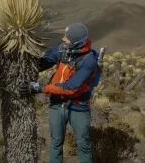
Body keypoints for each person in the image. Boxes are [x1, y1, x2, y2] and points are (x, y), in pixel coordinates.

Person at [19, 23, 102, 163]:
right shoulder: (62, 49)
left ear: (77, 43)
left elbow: (71, 88)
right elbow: (43, 63)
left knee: (83, 143)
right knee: (56, 142)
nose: (63, 39)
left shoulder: (89, 60)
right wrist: (24, 59)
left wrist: (40, 88)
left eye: (67, 38)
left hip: (79, 107)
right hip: (57, 104)